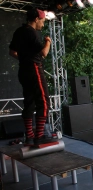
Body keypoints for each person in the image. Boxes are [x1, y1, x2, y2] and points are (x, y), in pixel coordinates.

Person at [9, 8, 53, 145]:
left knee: (29, 102)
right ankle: (39, 136)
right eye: (42, 21)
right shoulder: (31, 32)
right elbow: (44, 53)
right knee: (44, 102)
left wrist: (25, 59)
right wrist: (48, 42)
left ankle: (29, 136)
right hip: (34, 69)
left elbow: (12, 52)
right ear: (36, 19)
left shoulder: (19, 31)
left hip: (23, 70)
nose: (43, 24)